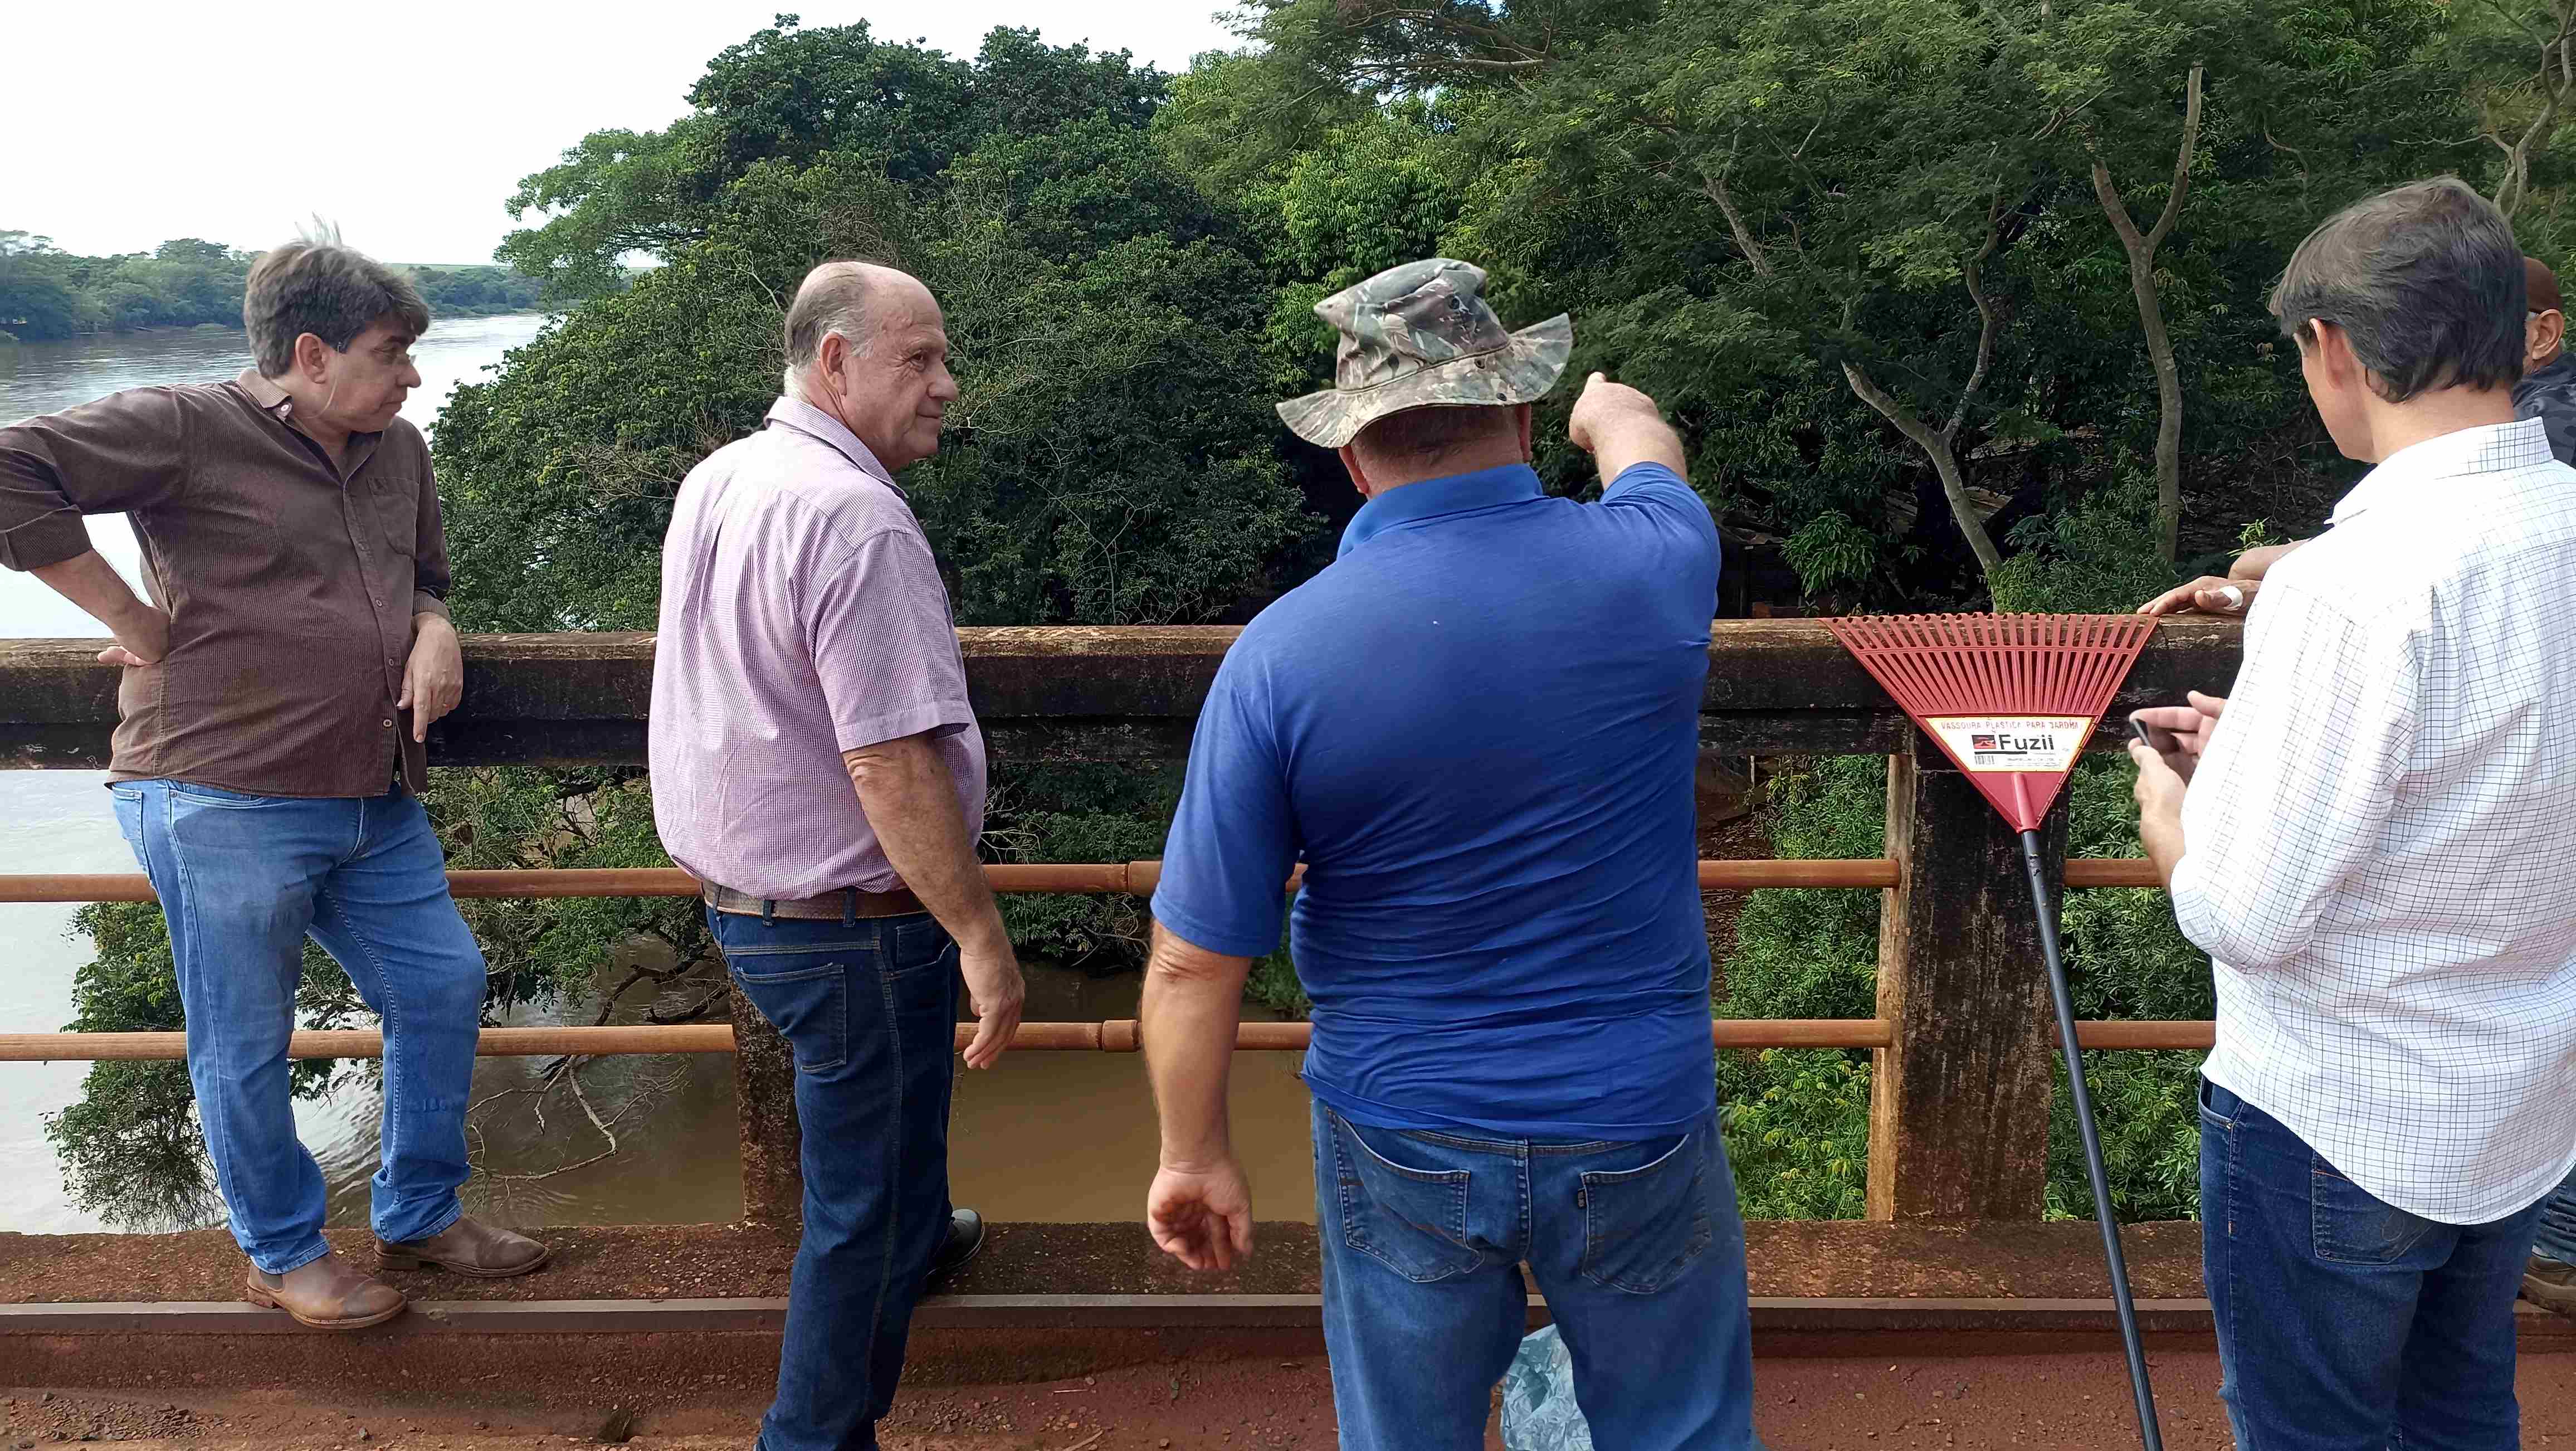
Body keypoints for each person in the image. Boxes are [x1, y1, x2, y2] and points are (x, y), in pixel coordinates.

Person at [1139, 258, 1761, 1451]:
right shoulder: (1654, 564)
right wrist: (1611, 410)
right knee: (1679, 1433)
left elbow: (1190, 963)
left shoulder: (1278, 655)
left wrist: (1193, 1153)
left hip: (1400, 1125)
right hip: (1635, 1113)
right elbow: (1645, 449)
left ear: (1350, 457)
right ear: (1522, 416)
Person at [0, 237, 550, 1327]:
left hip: (371, 792)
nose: (413, 376)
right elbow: (11, 469)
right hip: (222, 793)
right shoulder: (185, 426)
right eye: (392, 353)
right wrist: (128, 619)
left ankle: (420, 1216)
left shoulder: (398, 451)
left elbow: (423, 576)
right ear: (310, 353)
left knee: (440, 987)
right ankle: (282, 1253)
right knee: (244, 1041)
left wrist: (435, 629)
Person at [2129, 178, 2576, 1449]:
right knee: (2457, 1420)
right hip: (2516, 1104)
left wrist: (2177, 811)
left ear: (2332, 349)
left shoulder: (2346, 583)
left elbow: (2240, 914)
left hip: (2333, 1122)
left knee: (2310, 1431)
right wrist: (2267, 745)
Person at [649, 259, 1027, 1451]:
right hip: (848, 924)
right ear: (835, 362)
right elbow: (890, 764)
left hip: (749, 902)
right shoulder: (855, 517)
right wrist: (982, 937)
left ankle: (917, 1247)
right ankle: (809, 1437)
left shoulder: (726, 475)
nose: (945, 384)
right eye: (918, 358)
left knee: (889, 1148)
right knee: (854, 1206)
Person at [2139, 252, 2576, 619]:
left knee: (2253, 564)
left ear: (2543, 335)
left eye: (2488, 327)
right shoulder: (2517, 407)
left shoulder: (2550, 417)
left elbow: (2450, 551)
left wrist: (2299, 580)